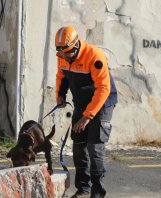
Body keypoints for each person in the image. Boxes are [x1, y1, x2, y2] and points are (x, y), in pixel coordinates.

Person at [54, 26, 118, 198]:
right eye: (61, 53)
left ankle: (97, 194)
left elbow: (103, 88)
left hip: (103, 103)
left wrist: (87, 117)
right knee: (79, 145)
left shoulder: (94, 56)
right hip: (82, 104)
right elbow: (61, 76)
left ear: (76, 46)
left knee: (94, 147)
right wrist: (60, 95)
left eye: (67, 52)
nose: (64, 56)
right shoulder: (62, 56)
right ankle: (83, 189)